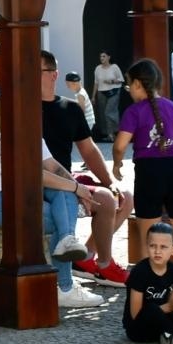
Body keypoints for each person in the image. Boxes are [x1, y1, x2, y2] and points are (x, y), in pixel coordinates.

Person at [0, 104, 102, 309]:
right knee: (61, 217)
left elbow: (52, 167)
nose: (39, 114)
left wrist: (77, 188)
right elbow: (33, 174)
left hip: (18, 192)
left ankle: (67, 240)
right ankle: (64, 287)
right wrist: (77, 188)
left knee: (65, 194)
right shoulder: (1, 138)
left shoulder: (29, 133)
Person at [110, 59, 173, 282]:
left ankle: (149, 291)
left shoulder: (134, 111)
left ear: (137, 84)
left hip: (148, 172)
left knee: (149, 237)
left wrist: (117, 164)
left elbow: (119, 145)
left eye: (129, 85)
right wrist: (171, 159)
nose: (129, 90)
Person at [40, 51, 132, 287]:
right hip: (46, 183)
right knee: (106, 200)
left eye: (37, 71)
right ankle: (104, 265)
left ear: (53, 74)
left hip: (67, 177)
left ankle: (86, 257)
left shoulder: (70, 108)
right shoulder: (25, 109)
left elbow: (89, 151)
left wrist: (110, 182)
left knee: (124, 197)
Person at [92, 51, 124, 141]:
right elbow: (96, 83)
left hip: (114, 91)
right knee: (103, 113)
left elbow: (121, 79)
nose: (102, 58)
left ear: (109, 57)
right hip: (101, 92)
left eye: (104, 56)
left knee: (109, 112)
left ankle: (112, 133)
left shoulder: (114, 67)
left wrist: (112, 81)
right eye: (101, 56)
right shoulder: (98, 68)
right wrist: (93, 96)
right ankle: (107, 134)